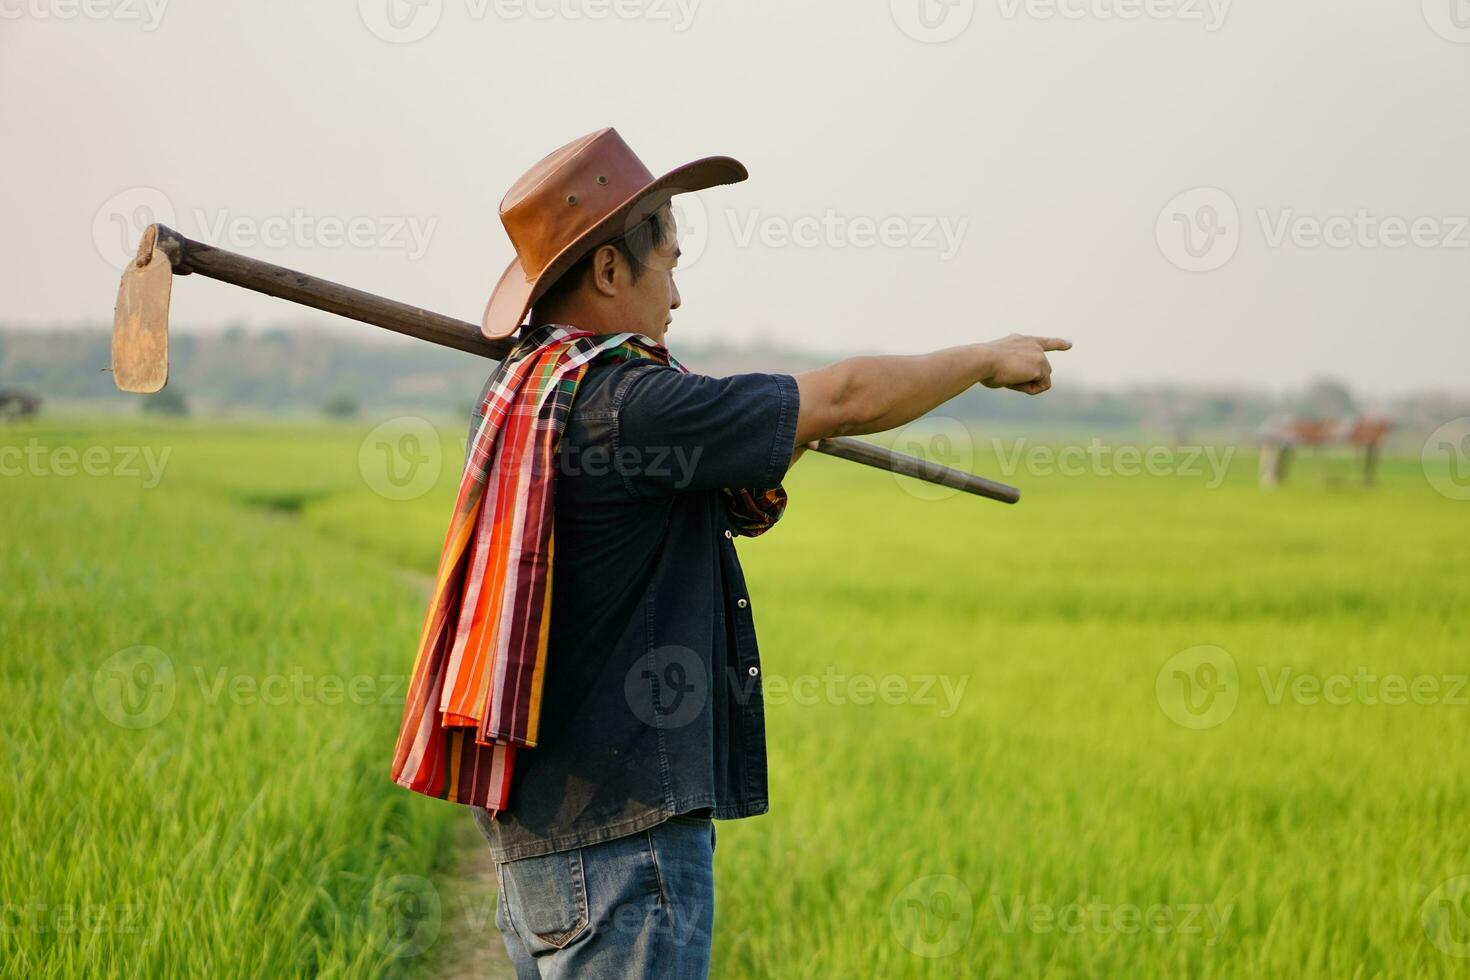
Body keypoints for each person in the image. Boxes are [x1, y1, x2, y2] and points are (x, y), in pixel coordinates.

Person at [391, 128, 1069, 979]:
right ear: (608, 271)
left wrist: (779, 430)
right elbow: (846, 396)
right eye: (668, 262)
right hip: (624, 855)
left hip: (542, 849)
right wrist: (981, 358)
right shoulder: (628, 403)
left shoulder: (532, 395)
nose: (677, 292)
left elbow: (745, 432)